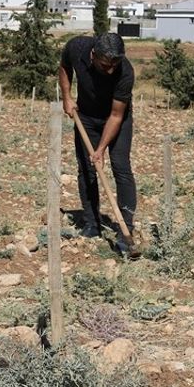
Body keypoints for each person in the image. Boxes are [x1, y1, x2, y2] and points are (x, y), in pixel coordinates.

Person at [58, 32, 136, 256]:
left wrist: (101, 149)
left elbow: (116, 115)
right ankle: (92, 223)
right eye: (105, 65)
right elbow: (64, 67)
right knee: (87, 169)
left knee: (121, 166)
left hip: (116, 119)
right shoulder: (77, 47)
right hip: (87, 117)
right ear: (93, 55)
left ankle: (125, 228)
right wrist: (67, 96)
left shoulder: (125, 72)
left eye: (115, 64)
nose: (110, 70)